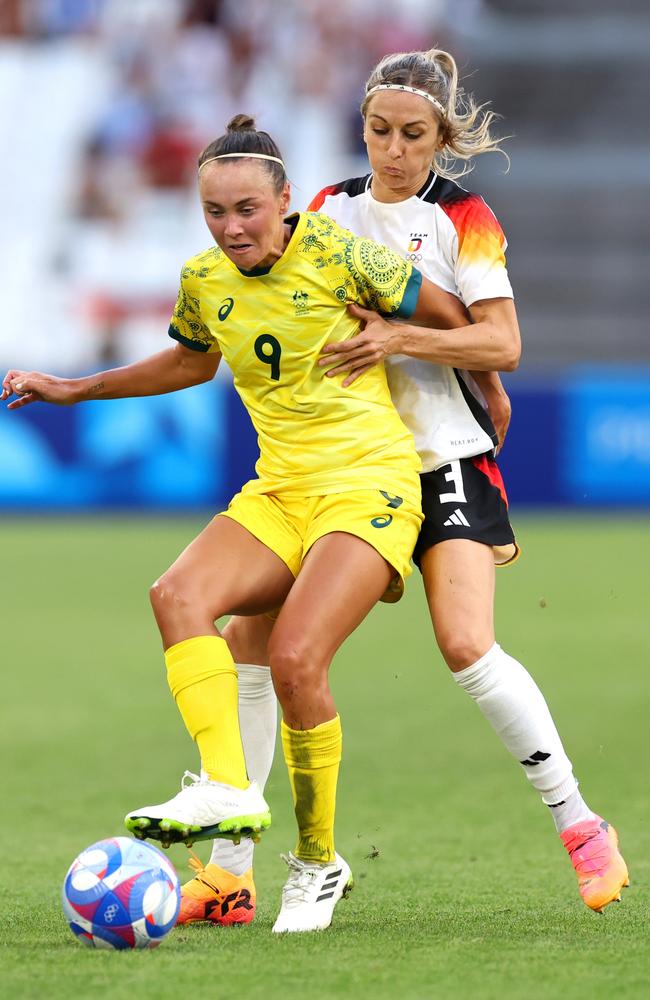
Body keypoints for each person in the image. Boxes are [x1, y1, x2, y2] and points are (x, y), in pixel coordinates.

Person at [2, 114, 509, 933]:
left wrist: (420, 350)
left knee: (296, 658)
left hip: (370, 486)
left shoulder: (344, 254)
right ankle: (227, 805)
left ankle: (317, 863)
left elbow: (463, 323)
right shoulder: (205, 280)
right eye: (215, 212)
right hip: (280, 490)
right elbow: (191, 360)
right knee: (178, 596)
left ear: (284, 201)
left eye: (247, 209)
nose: (232, 228)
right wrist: (76, 387)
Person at [184, 48, 629, 926]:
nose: (393, 151)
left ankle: (580, 824)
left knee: (465, 646)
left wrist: (401, 340)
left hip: (446, 456)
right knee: (250, 641)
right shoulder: (325, 210)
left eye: (413, 135)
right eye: (379, 131)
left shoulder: (465, 218)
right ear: (362, 128)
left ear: (443, 136)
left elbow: (499, 344)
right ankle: (231, 870)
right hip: (342, 471)